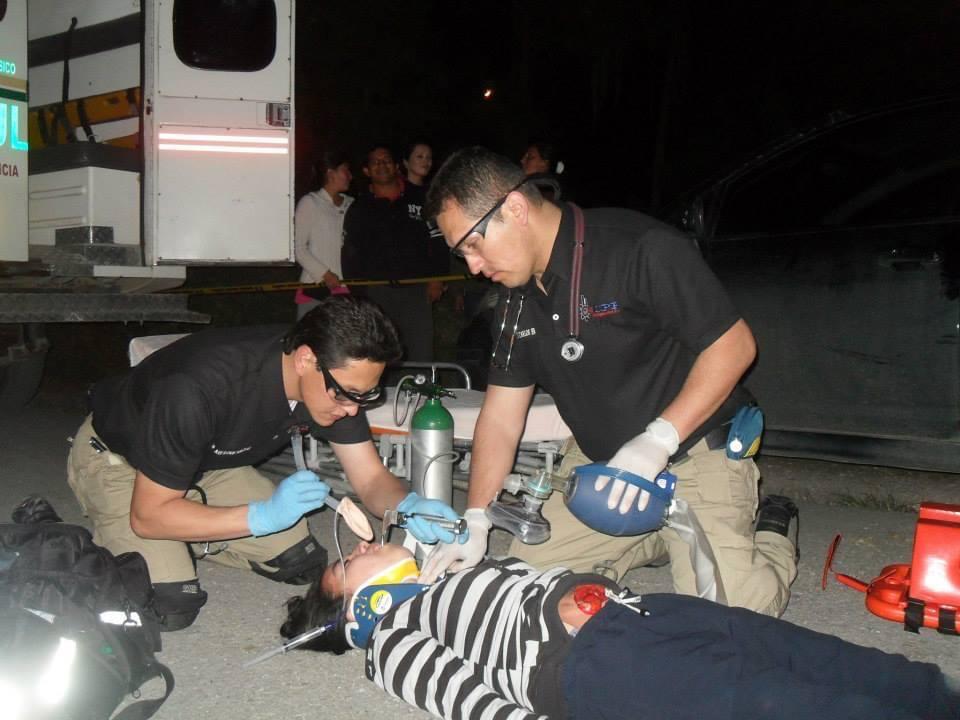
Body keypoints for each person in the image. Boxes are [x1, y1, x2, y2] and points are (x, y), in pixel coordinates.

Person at [418, 147, 797, 619]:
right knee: (524, 590)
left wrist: (657, 441)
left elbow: (735, 346)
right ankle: (654, 536)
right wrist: (476, 517)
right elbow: (500, 418)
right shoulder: (515, 301)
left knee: (730, 620)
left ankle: (773, 530)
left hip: (693, 455)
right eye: (461, 254)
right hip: (600, 470)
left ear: (514, 208)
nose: (472, 266)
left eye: (473, 245)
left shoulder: (639, 248)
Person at [66, 296, 463, 631]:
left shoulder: (336, 380)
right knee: (171, 604)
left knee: (301, 561)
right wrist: (261, 517)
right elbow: (148, 517)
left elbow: (371, 479)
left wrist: (408, 506)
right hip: (123, 464)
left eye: (365, 396)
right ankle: (139, 536)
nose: (352, 409)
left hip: (208, 466)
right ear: (306, 359)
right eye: (347, 395)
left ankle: (190, 530)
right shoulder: (197, 388)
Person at [281, 543, 960, 720]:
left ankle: (935, 696)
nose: (362, 544)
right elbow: (462, 699)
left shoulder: (437, 576)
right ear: (358, 607)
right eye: (348, 561)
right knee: (776, 702)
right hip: (591, 665)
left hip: (641, 611)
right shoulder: (391, 643)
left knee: (807, 653)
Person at [341, 144, 448, 361]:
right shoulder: (360, 208)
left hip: (416, 290)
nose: (382, 165)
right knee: (381, 353)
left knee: (421, 351)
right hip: (377, 293)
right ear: (367, 170)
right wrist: (358, 293)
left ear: (397, 166)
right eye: (375, 162)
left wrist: (437, 278)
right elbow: (350, 253)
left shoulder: (420, 198)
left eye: (387, 160)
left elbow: (438, 240)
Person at [294, 149, 353, 319]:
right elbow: (298, 248)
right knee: (311, 335)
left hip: (349, 289)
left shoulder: (351, 204)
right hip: (316, 289)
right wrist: (325, 274)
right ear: (331, 173)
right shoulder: (310, 202)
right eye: (346, 170)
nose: (350, 176)